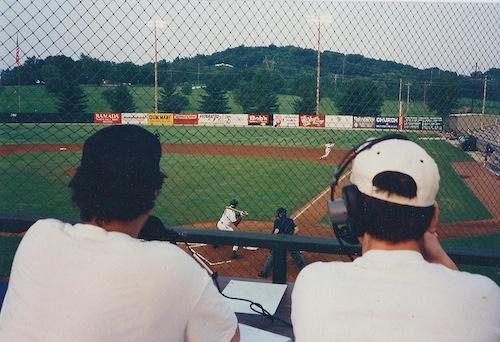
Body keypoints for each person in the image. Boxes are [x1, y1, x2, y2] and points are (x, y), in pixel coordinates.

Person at [0, 125, 240, 342]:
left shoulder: (39, 235)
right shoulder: (173, 266)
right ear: (153, 192)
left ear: (79, 182)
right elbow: (231, 338)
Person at [292, 137, 500, 341]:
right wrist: (442, 259)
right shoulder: (487, 295)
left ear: (350, 212)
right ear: (433, 218)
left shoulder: (313, 282)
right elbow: (467, 304)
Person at [258, 207, 306, 278]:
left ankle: (264, 272)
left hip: (280, 241)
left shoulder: (278, 221)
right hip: (289, 240)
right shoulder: (290, 220)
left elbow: (276, 231)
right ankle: (304, 268)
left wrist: (274, 239)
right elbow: (296, 230)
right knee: (296, 254)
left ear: (280, 214)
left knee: (273, 255)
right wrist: (291, 237)